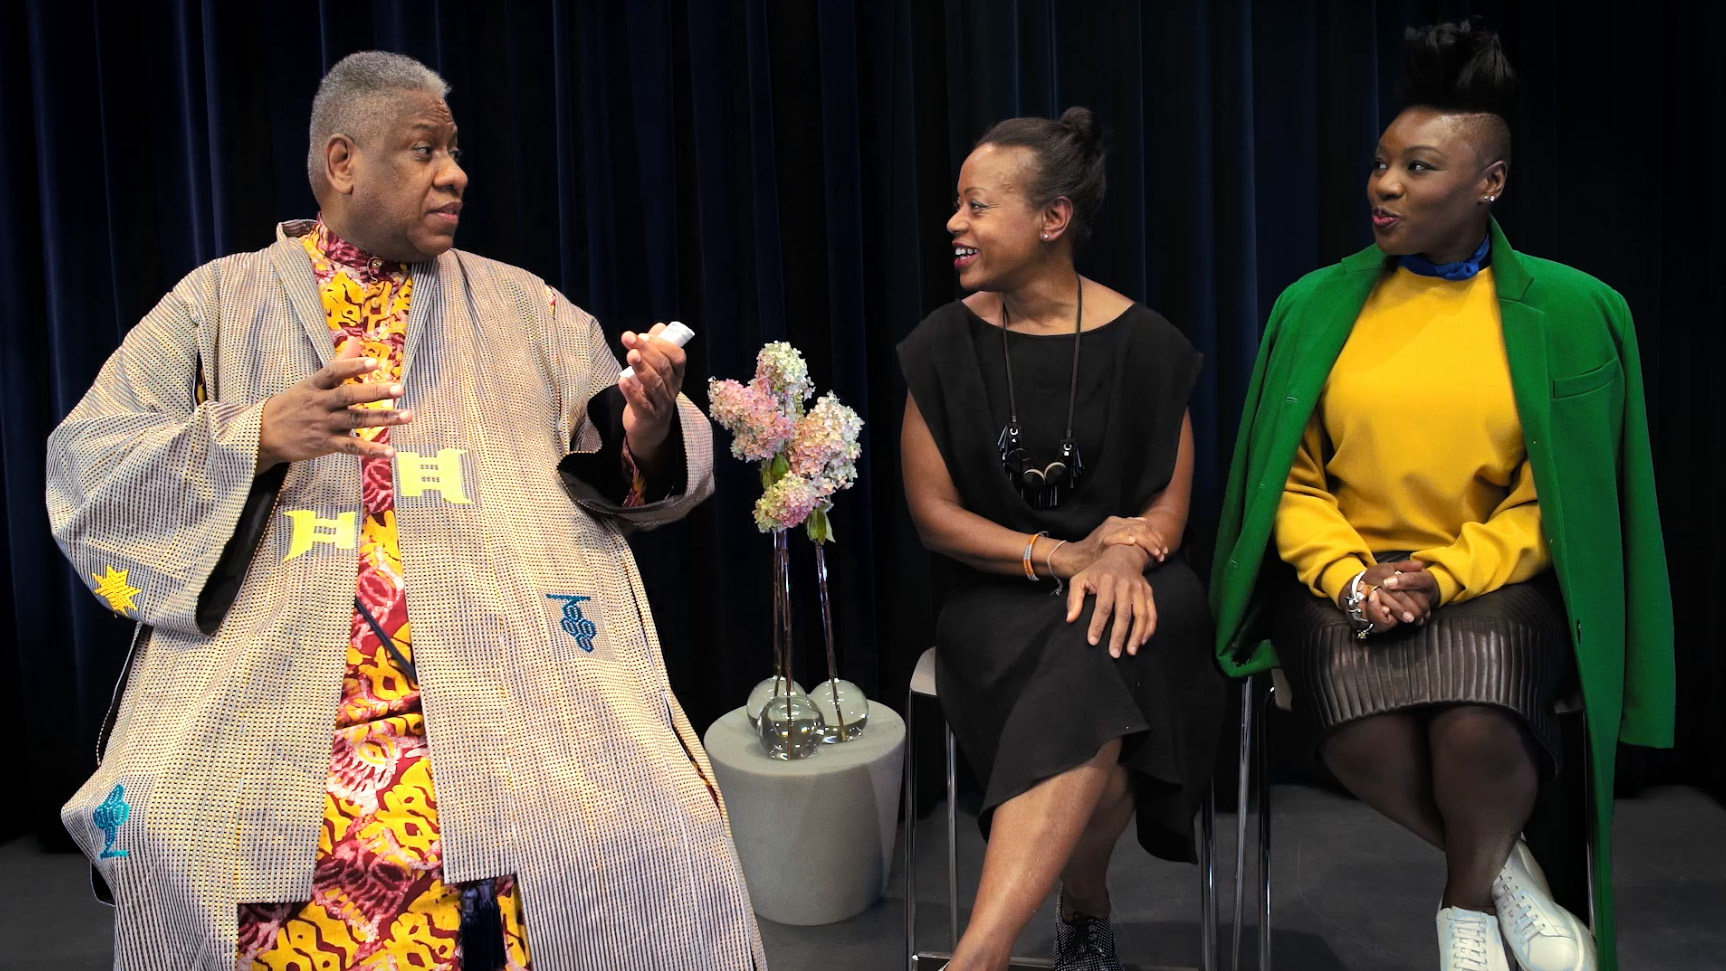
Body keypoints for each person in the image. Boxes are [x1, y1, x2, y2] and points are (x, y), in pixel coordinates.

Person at [46, 51, 764, 971]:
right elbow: (87, 463)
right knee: (187, 831)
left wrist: (649, 424)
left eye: (454, 150)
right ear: (343, 162)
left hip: (504, 658)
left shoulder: (521, 304)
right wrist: (256, 431)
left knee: (653, 815)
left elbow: (625, 455)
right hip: (279, 670)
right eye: (425, 150)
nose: (455, 172)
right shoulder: (216, 301)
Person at [1209, 22, 1673, 971]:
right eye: (1382, 164)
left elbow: (1558, 504)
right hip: (1343, 580)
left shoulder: (1577, 313)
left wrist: (1444, 575)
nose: (1385, 186)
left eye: (1418, 168)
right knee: (1363, 732)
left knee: (1478, 721)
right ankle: (1508, 879)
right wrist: (1350, 578)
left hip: (1493, 577)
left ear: (1489, 183)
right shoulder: (1314, 307)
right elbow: (1290, 482)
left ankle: (1463, 922)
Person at [898, 107, 1225, 971]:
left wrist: (1118, 555)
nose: (954, 225)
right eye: (956, 207)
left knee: (1103, 630)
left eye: (975, 206)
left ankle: (980, 955)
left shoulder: (1149, 346)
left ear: (1053, 219)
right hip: (1002, 596)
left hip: (1141, 583)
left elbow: (1167, 506)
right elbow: (935, 515)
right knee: (1099, 717)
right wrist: (1058, 554)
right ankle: (1078, 904)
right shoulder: (943, 345)